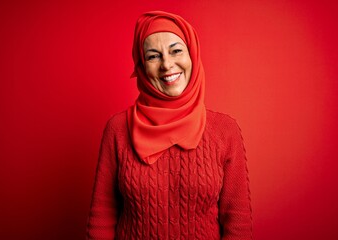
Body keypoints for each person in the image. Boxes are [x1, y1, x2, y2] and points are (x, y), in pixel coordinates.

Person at [86, 11, 252, 239]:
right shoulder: (118, 129)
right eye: (153, 56)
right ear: (142, 67)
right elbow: (101, 218)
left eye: (176, 51)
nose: (167, 64)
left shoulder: (225, 130)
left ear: (192, 54)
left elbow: (237, 222)